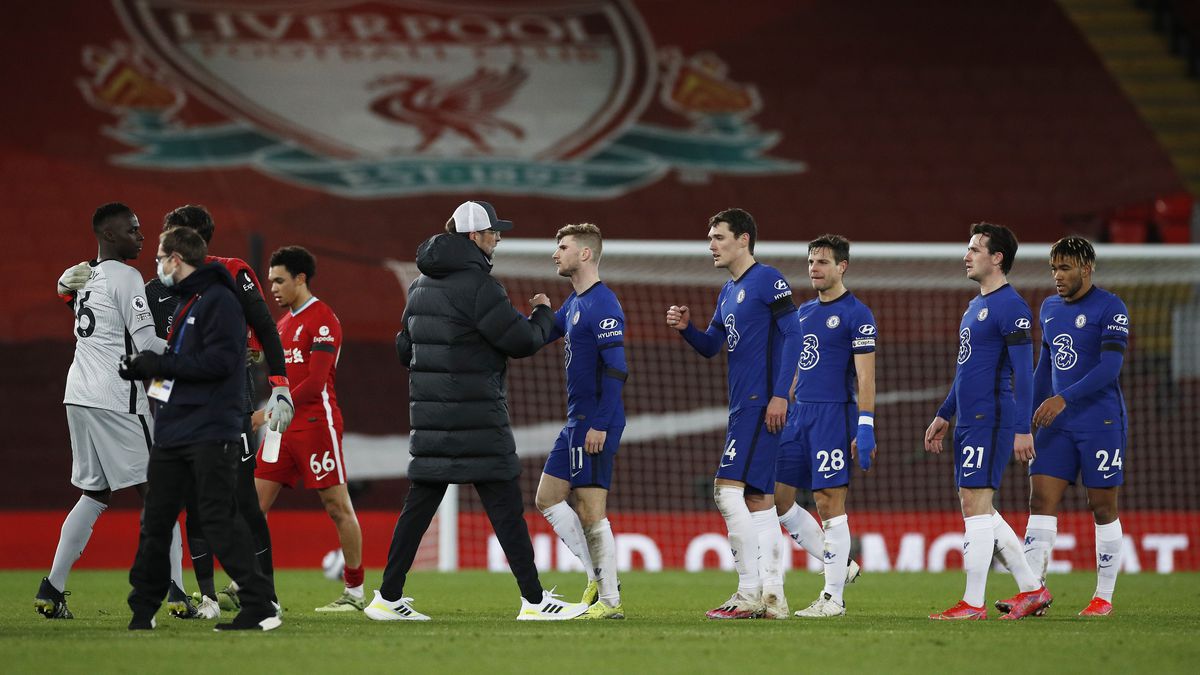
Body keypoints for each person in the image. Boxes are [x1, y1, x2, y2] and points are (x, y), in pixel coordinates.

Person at [366, 200, 589, 622]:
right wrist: (542, 312)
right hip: (477, 417)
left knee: (417, 510)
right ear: (475, 237)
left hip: (431, 420)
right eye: (493, 232)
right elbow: (521, 341)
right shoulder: (481, 287)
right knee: (506, 508)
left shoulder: (418, 286)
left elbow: (404, 349)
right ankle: (535, 601)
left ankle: (387, 597)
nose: (499, 237)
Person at [100, 204, 292, 619]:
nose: (160, 247)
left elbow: (258, 328)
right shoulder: (157, 291)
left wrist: (279, 384)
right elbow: (133, 339)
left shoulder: (227, 280)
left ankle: (264, 596)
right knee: (173, 509)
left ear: (187, 244)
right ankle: (200, 597)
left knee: (237, 501)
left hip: (222, 405)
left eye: (169, 239)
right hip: (178, 409)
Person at [38, 203, 188, 620]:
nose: (141, 237)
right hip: (116, 396)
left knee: (95, 493)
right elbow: (145, 343)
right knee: (160, 494)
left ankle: (52, 586)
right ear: (108, 235)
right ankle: (174, 591)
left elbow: (81, 308)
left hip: (78, 394)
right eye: (132, 230)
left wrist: (61, 290)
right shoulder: (126, 275)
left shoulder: (87, 275)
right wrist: (195, 356)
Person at [666, 207, 800, 620]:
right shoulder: (727, 292)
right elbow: (711, 346)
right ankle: (774, 598)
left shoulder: (768, 279)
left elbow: (795, 334)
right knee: (759, 500)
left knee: (726, 492)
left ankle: (747, 594)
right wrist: (688, 329)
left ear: (743, 239)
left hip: (761, 402)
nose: (711, 244)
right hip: (743, 403)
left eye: (718, 237)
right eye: (710, 237)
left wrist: (781, 395)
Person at [923, 222, 1050, 621]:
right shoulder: (975, 306)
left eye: (976, 249)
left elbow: (1023, 372)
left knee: (975, 505)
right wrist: (946, 412)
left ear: (997, 258)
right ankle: (1032, 589)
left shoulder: (1012, 307)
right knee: (976, 504)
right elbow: (967, 371)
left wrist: (1022, 428)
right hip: (969, 418)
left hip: (993, 417)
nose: (967, 255)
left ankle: (973, 603)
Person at [998, 237, 1130, 617]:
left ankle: (1103, 597)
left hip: (1101, 421)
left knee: (1101, 505)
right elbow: (1045, 367)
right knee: (1039, 500)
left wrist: (1063, 399)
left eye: (1065, 268)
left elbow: (1109, 369)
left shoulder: (1111, 307)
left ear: (1086, 268)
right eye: (1054, 268)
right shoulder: (1050, 308)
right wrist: (1025, 419)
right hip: (1057, 423)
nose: (1057, 276)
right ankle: (1033, 593)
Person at [252, 245, 366, 612]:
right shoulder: (281, 326)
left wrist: (267, 411)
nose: (273, 288)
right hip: (280, 430)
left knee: (336, 506)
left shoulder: (323, 319)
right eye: (270, 281)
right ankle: (252, 587)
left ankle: (354, 591)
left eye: (280, 280)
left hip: (317, 424)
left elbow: (316, 383)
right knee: (252, 506)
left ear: (301, 279)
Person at [776, 235, 875, 618]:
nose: (813, 269)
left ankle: (833, 598)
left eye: (821, 262)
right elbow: (798, 367)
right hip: (798, 416)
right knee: (777, 498)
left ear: (841, 267)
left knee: (828, 503)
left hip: (834, 415)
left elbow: (866, 378)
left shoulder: (857, 314)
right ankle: (841, 563)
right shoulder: (802, 313)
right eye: (811, 262)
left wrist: (865, 426)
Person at [533, 223, 628, 620]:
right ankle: (597, 577)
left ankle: (609, 601)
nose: (556, 253)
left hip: (594, 421)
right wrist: (538, 311)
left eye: (563, 246)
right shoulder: (572, 305)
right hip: (576, 421)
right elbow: (535, 336)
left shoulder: (603, 303)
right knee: (547, 498)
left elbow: (617, 369)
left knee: (591, 511)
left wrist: (601, 424)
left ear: (585, 254)